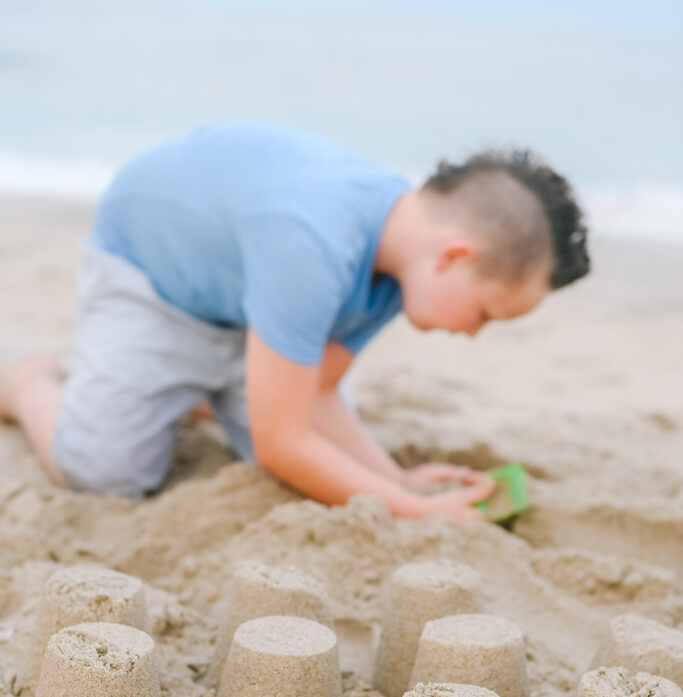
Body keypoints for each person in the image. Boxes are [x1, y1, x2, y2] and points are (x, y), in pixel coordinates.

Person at [0, 121, 589, 520]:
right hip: (152, 285)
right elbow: (284, 442)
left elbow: (321, 390)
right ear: (454, 255)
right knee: (104, 473)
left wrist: (394, 478)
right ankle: (29, 383)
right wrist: (413, 511)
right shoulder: (314, 242)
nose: (473, 333)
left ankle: (191, 391)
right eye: (485, 313)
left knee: (316, 458)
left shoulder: (399, 261)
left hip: (248, 307)